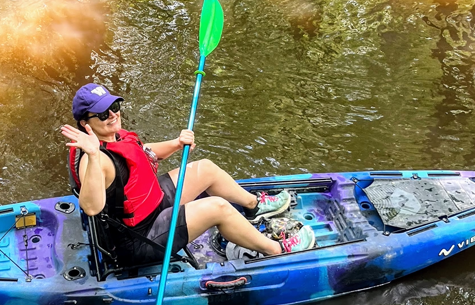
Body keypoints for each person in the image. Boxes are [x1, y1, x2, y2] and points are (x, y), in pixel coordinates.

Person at [60, 82, 315, 267]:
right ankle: (276, 250)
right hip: (139, 239)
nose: (113, 114)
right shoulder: (95, 159)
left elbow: (140, 152)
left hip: (151, 206)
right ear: (85, 123)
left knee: (204, 168)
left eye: (114, 106)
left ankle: (254, 206)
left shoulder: (113, 136)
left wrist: (176, 143)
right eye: (103, 114)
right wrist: (93, 156)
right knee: (218, 207)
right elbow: (91, 207)